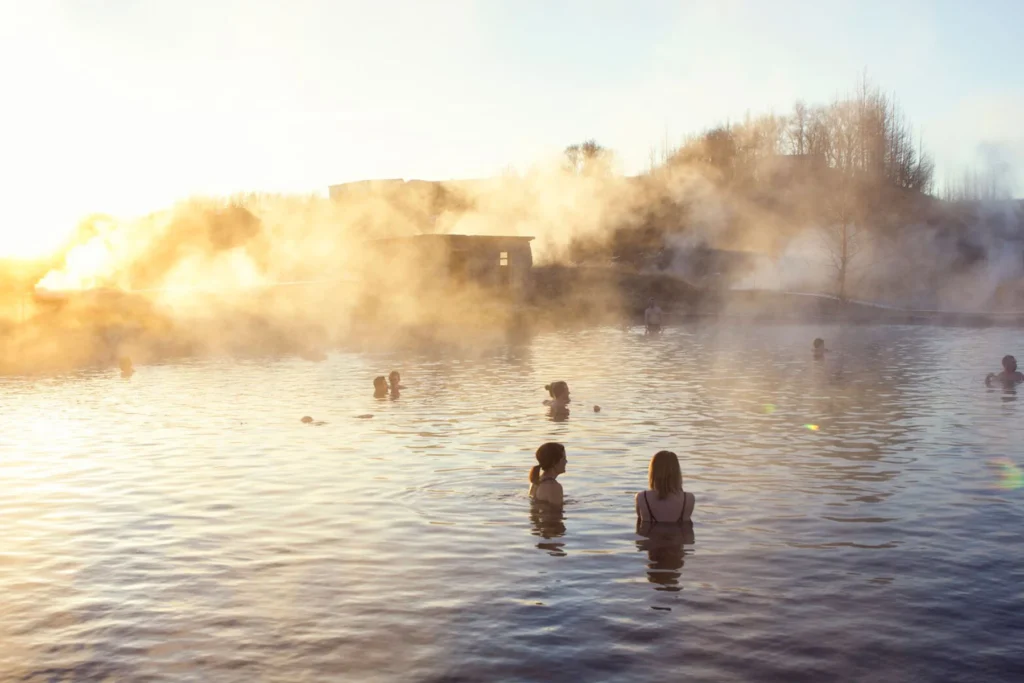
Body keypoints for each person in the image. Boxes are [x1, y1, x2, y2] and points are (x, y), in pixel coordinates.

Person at [636, 450, 695, 524]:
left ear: (653, 471)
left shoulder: (642, 497)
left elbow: (639, 529)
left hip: (650, 535)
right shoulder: (688, 498)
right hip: (678, 535)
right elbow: (687, 530)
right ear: (677, 472)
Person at [529, 442, 567, 508]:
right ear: (554, 462)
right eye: (563, 458)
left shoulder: (536, 481)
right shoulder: (553, 486)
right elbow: (556, 515)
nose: (566, 461)